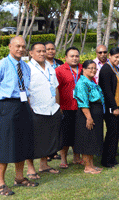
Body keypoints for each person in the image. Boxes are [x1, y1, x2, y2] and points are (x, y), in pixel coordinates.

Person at [0, 36, 38, 196]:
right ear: (10, 46)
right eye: (17, 46)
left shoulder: (26, 66)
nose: (21, 49)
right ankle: (1, 183)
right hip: (7, 106)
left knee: (23, 142)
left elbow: (26, 88)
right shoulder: (2, 64)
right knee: (6, 144)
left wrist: (28, 107)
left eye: (23, 46)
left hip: (23, 106)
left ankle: (19, 177)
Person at [25, 42, 63, 180]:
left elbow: (56, 87)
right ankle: (30, 169)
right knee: (32, 141)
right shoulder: (27, 68)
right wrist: (28, 109)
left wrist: (58, 106)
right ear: (31, 53)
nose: (42, 53)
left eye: (43, 51)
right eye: (39, 51)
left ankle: (44, 165)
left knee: (47, 139)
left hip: (52, 109)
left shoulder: (50, 67)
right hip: (35, 110)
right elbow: (25, 91)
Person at [74, 60, 105, 174]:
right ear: (84, 69)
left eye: (94, 68)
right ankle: (87, 167)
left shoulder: (91, 81)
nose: (93, 70)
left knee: (93, 139)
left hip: (95, 113)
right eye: (90, 68)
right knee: (87, 139)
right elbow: (83, 102)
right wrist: (89, 117)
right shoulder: (82, 83)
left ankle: (92, 164)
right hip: (87, 114)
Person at [55, 46, 84, 168]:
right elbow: (56, 89)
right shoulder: (60, 70)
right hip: (66, 107)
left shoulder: (83, 68)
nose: (74, 58)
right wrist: (58, 106)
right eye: (71, 56)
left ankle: (77, 157)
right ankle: (63, 159)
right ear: (66, 57)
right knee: (65, 135)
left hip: (81, 106)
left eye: (77, 56)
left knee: (78, 133)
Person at [98, 47, 119, 168]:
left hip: (118, 104)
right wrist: (114, 107)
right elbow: (107, 91)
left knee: (116, 133)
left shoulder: (116, 68)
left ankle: (112, 158)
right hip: (111, 107)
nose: (118, 59)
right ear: (110, 56)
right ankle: (107, 160)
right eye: (116, 57)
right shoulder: (106, 69)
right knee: (111, 133)